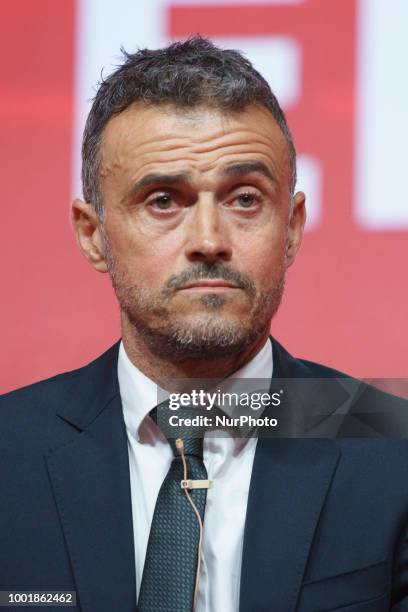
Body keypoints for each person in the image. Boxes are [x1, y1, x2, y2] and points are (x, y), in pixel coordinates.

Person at [1, 36, 408, 612]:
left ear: (291, 227)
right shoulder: (8, 453)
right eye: (163, 201)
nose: (210, 242)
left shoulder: (394, 443)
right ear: (93, 235)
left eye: (245, 199)